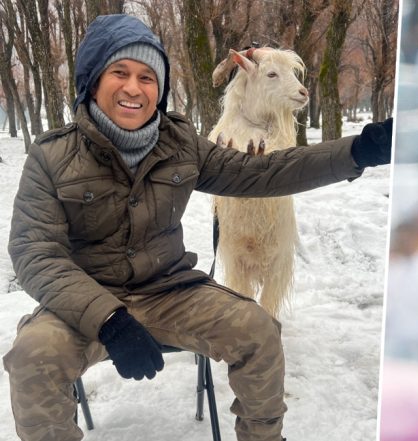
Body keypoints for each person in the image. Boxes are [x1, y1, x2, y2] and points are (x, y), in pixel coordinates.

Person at [2, 14, 392, 441]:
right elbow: (35, 253)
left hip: (170, 291)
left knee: (258, 330)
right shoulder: (52, 157)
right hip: (85, 301)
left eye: (148, 77)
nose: (134, 88)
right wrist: (108, 319)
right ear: (93, 80)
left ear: (160, 88)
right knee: (31, 356)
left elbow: (262, 173)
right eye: (120, 73)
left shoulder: (180, 143)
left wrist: (359, 149)